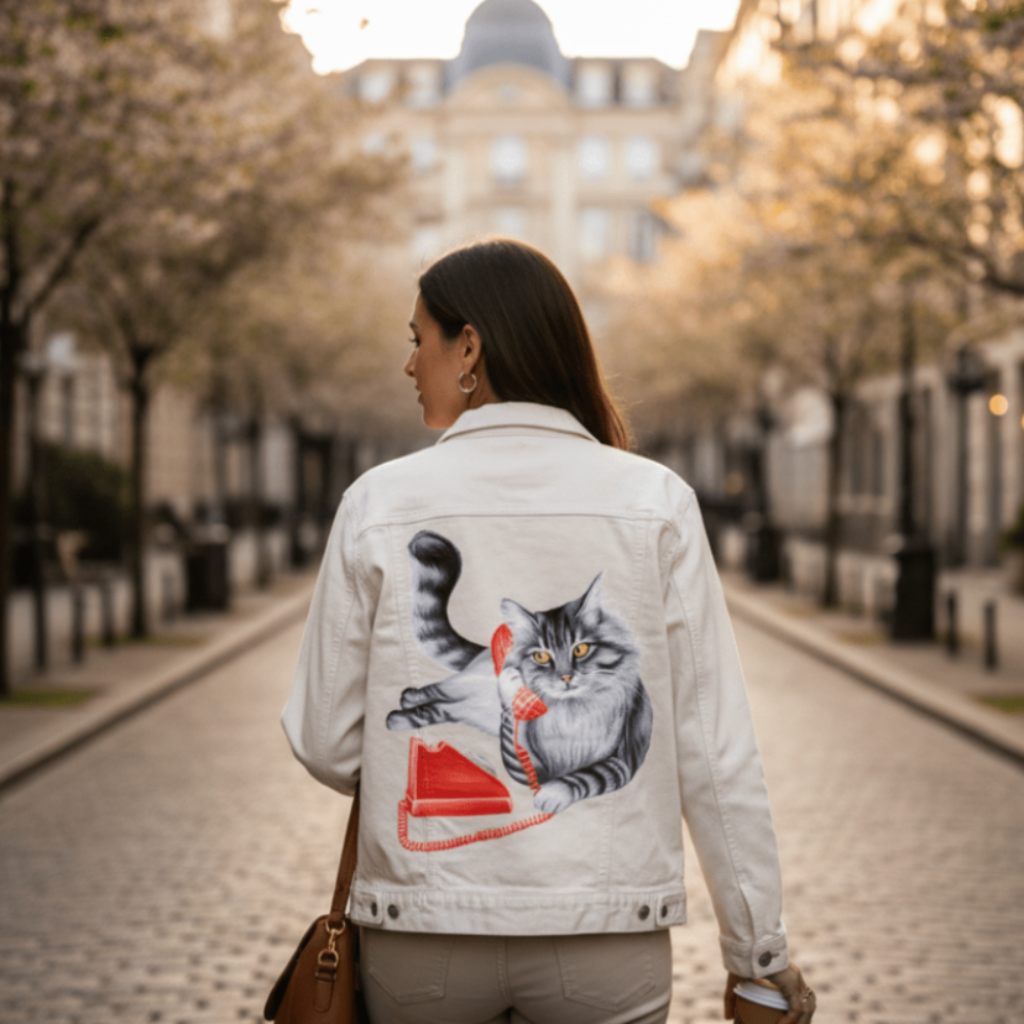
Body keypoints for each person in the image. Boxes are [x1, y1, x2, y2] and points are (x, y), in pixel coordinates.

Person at [282, 239, 817, 1024]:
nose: (409, 364)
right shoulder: (655, 501)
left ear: (468, 346)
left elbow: (327, 743)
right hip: (604, 932)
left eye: (416, 338)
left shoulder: (379, 503)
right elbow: (714, 751)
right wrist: (758, 959)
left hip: (424, 931)